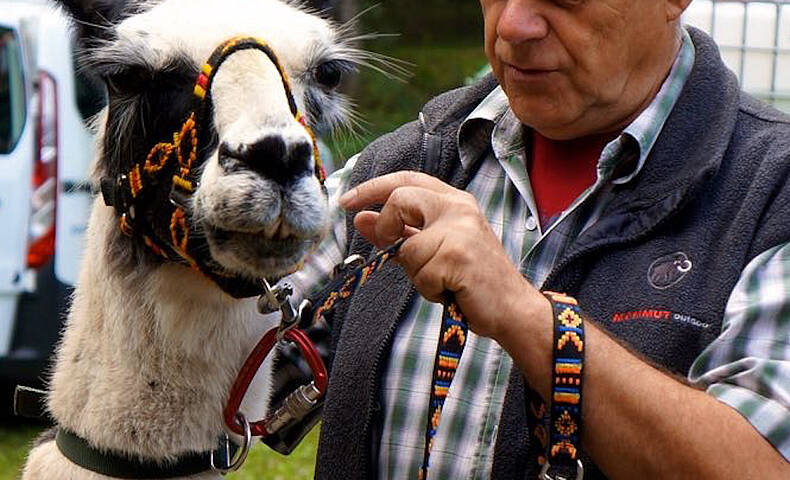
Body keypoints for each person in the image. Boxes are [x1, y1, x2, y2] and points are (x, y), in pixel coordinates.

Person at [278, 0, 790, 478]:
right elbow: (238, 369)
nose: (512, 26)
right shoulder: (410, 161)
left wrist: (524, 317)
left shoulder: (770, 192)